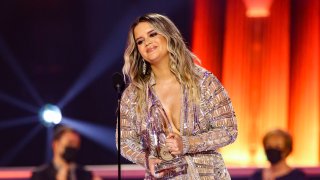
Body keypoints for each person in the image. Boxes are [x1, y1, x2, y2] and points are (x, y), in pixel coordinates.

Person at [117, 13, 238, 179]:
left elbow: (228, 130)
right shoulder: (134, 94)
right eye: (140, 41)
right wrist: (147, 159)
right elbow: (124, 141)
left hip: (207, 175)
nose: (147, 43)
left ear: (168, 35)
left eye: (152, 34)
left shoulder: (203, 82)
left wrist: (187, 144)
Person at [31, 125, 99, 180]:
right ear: (56, 145)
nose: (73, 147)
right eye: (70, 143)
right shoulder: (40, 175)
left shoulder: (85, 175)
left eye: (76, 144)